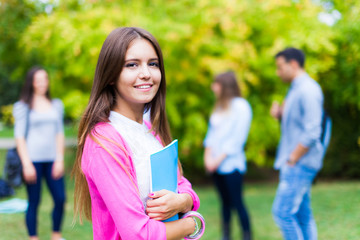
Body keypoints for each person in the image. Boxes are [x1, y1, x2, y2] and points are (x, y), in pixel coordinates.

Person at [72, 27, 201, 240]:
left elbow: (182, 185)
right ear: (111, 75)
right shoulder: (103, 142)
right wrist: (192, 223)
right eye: (132, 65)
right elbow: (138, 234)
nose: (146, 73)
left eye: (153, 64)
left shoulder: (151, 132)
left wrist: (183, 202)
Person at [271, 47, 331, 240]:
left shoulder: (308, 89)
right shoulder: (295, 89)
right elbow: (298, 126)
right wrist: (280, 115)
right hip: (297, 161)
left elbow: (313, 131)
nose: (277, 72)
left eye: (280, 67)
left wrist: (293, 158)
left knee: (283, 213)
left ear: (294, 64)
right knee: (302, 215)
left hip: (300, 162)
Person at [13, 66, 66, 240]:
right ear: (32, 83)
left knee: (60, 198)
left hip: (53, 160)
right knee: (34, 202)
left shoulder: (56, 105)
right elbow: (19, 137)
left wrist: (59, 159)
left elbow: (60, 134)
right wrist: (27, 164)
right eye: (38, 80)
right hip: (32, 161)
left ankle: (56, 234)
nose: (42, 83)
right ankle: (33, 237)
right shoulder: (22, 107)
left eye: (45, 79)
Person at [203, 71, 252, 240]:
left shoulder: (241, 106)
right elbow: (211, 135)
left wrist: (217, 160)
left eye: (216, 83)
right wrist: (208, 157)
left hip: (232, 165)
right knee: (224, 204)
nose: (213, 87)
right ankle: (226, 236)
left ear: (224, 86)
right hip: (216, 166)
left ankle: (246, 235)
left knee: (237, 203)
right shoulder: (219, 107)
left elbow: (237, 139)